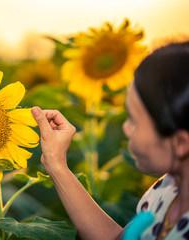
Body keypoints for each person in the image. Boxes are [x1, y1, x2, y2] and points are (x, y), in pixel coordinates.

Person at [31, 41, 189, 240]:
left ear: (180, 144)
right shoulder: (166, 190)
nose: (125, 128)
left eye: (133, 120)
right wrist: (56, 163)